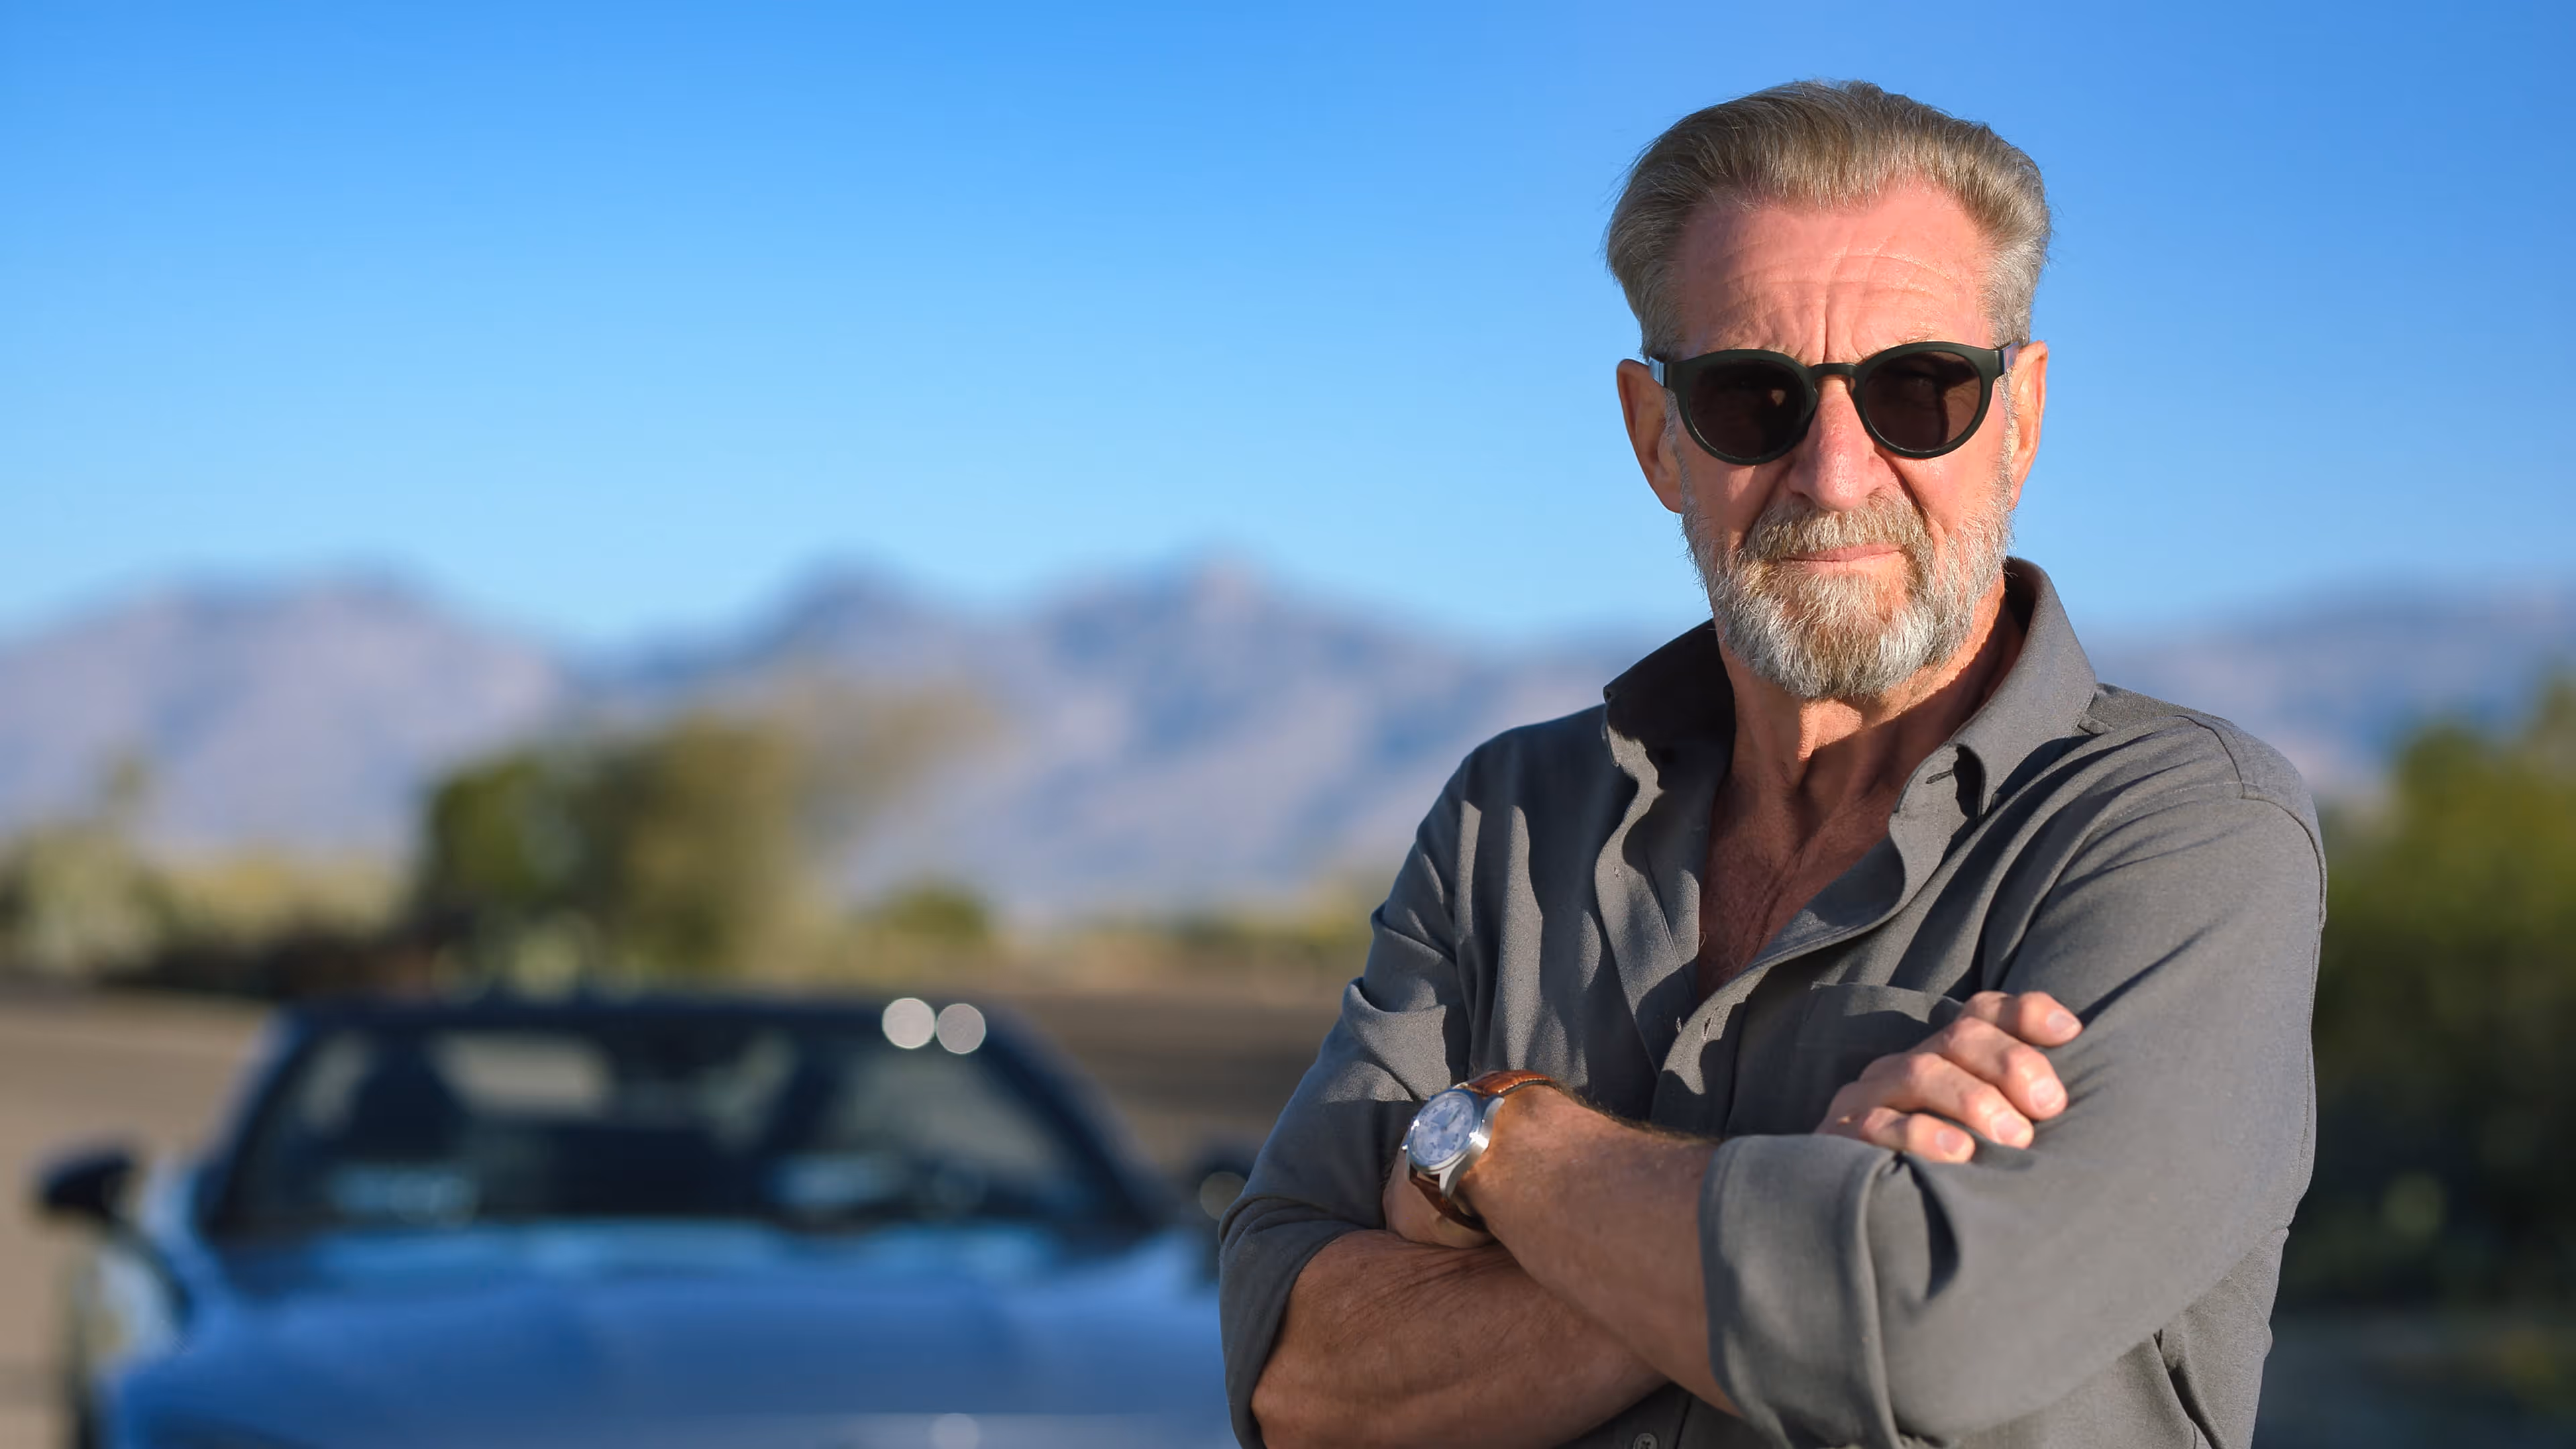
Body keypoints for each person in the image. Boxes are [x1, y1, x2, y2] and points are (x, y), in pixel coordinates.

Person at [1218, 80, 2322, 1449]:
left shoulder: (2188, 834)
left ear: (2022, 416)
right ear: (1656, 437)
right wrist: (1812, 1205)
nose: (1837, 472)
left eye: (1922, 390)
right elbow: (1304, 1385)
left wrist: (1498, 1153)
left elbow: (1929, 1337)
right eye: (1754, 397)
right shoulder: (1508, 819)